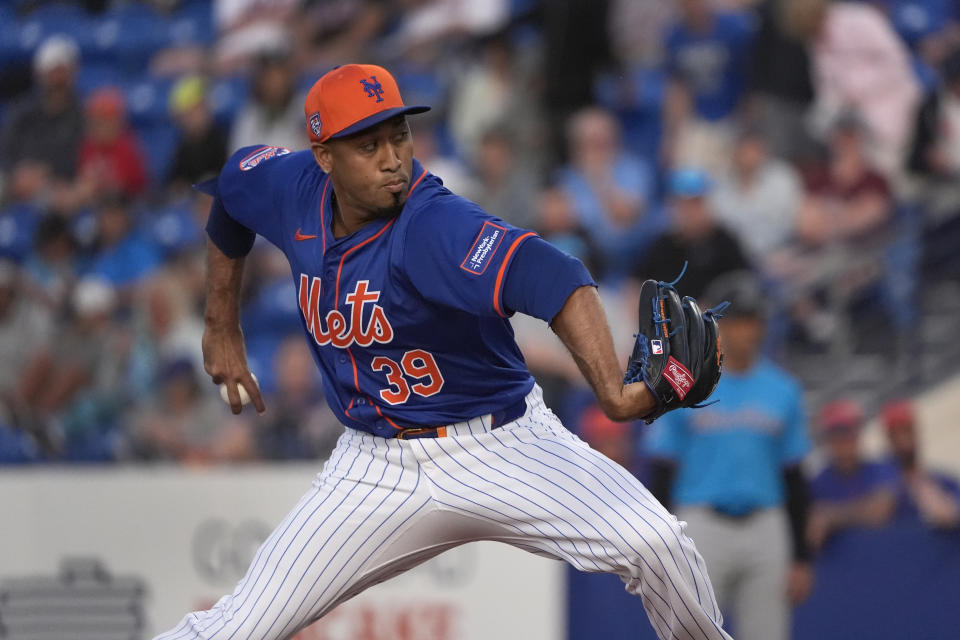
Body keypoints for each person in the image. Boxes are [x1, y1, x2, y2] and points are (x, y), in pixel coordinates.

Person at [156, 63, 731, 640]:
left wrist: (613, 392)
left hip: (503, 446)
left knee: (658, 544)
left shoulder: (433, 225)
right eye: (368, 144)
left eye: (399, 135)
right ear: (324, 156)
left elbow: (558, 277)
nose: (392, 157)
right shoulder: (291, 188)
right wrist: (219, 323)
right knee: (237, 627)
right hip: (374, 467)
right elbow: (231, 190)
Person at [646, 271, 813, 640]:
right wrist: (659, 545)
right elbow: (661, 469)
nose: (748, 331)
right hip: (700, 524)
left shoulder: (783, 390)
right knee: (690, 633)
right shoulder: (684, 385)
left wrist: (801, 556)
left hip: (766, 524)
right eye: (738, 322)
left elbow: (795, 476)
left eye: (754, 321)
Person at [633, 168, 750, 299]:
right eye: (682, 204)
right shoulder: (662, 245)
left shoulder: (725, 243)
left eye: (695, 203)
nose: (688, 211)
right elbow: (636, 284)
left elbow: (743, 285)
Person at [807, 399, 896, 551]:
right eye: (836, 433)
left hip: (883, 556)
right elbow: (813, 533)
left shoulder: (882, 468)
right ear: (827, 438)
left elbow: (879, 512)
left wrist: (831, 516)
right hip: (844, 567)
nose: (843, 441)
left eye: (848, 431)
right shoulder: (817, 483)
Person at [881, 399, 960, 529]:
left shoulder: (945, 482)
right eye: (895, 434)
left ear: (916, 432)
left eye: (907, 430)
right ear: (888, 439)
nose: (902, 439)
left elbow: (948, 516)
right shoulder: (883, 488)